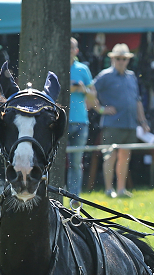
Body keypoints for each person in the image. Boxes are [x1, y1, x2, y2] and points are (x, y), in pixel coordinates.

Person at [93, 43, 150, 199]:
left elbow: (137, 101)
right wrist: (101, 109)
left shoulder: (131, 76)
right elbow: (90, 91)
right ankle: (108, 189)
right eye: (118, 58)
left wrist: (143, 121)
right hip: (112, 124)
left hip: (130, 123)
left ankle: (120, 189)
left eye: (124, 58)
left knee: (125, 156)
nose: (121, 61)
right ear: (112, 59)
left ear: (128, 60)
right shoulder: (105, 75)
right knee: (110, 156)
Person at [67, 37, 94, 197]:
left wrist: (84, 90)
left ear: (76, 50)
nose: (69, 50)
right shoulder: (57, 66)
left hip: (81, 121)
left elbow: (93, 97)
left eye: (72, 47)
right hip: (60, 122)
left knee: (76, 163)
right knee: (55, 162)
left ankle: (74, 198)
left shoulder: (83, 69)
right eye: (67, 47)